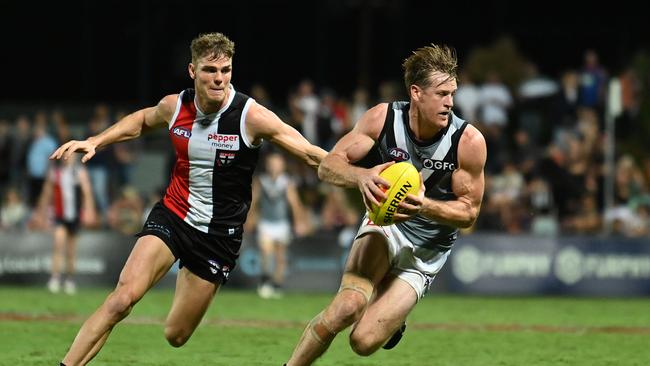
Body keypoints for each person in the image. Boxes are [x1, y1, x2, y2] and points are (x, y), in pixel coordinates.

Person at [50, 32, 326, 366]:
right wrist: (96, 140)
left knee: (176, 336)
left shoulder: (250, 116)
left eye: (225, 69)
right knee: (121, 300)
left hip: (217, 237)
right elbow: (140, 121)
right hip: (173, 214)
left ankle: (189, 272)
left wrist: (361, 175)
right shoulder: (175, 106)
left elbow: (311, 154)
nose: (219, 78)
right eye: (210, 70)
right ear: (193, 71)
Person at [285, 43, 487, 365]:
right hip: (385, 226)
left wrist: (424, 206)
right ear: (416, 93)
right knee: (346, 307)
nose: (450, 102)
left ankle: (393, 317)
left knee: (362, 342)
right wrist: (361, 176)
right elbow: (328, 165)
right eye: (441, 93)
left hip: (428, 251)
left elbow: (469, 213)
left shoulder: (468, 141)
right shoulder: (383, 118)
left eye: (452, 93)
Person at [247, 151, 310, 299]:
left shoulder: (286, 182)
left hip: (282, 224)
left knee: (281, 257)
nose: (275, 166)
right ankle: (265, 282)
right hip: (266, 223)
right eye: (272, 164)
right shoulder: (261, 181)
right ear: (267, 165)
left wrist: (299, 222)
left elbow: (294, 204)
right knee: (266, 253)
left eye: (277, 163)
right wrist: (250, 218)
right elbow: (254, 201)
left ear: (282, 166)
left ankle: (277, 285)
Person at [33, 155, 96, 295]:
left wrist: (89, 210)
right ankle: (55, 278)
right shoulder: (55, 172)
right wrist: (40, 213)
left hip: (74, 216)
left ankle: (70, 280)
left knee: (71, 251)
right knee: (58, 245)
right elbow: (46, 193)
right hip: (60, 215)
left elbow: (87, 192)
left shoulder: (79, 171)